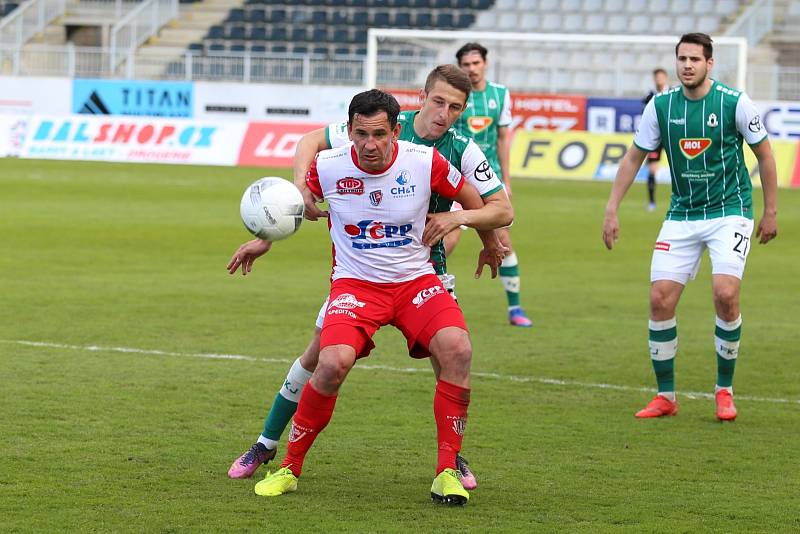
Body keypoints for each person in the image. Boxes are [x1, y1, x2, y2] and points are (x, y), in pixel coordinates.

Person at [227, 66, 512, 492]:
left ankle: (448, 466)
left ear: (394, 132)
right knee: (324, 360)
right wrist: (265, 239)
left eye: (455, 107)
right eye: (438, 102)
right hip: (356, 283)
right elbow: (295, 195)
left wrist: (476, 231)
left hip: (420, 276)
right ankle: (277, 454)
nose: (444, 113)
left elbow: (491, 207)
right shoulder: (333, 160)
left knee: (455, 352)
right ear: (423, 97)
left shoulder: (448, 154)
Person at [602, 33, 778, 421]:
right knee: (660, 299)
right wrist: (612, 208)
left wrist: (771, 211)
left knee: (725, 293)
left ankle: (724, 390)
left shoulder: (733, 102)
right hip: (681, 214)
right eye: (681, 58)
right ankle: (666, 396)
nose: (687, 65)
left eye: (695, 59)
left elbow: (764, 153)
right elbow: (633, 157)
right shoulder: (661, 106)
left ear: (709, 64)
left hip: (730, 211)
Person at [447, 42, 533, 328]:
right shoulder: (454, 95)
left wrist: (506, 179)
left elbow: (502, 138)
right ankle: (429, 293)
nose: (471, 69)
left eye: (476, 63)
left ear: (485, 63)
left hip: (488, 180)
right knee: (447, 240)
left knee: (503, 242)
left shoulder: (500, 94)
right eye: (466, 65)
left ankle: (515, 308)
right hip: (455, 180)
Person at [642, 68, 670, 211]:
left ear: (665, 78)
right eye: (656, 77)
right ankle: (651, 202)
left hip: (672, 136)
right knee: (652, 169)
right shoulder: (649, 96)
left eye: (661, 77)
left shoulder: (673, 93)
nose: (659, 79)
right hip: (656, 139)